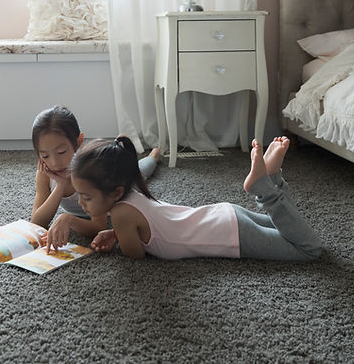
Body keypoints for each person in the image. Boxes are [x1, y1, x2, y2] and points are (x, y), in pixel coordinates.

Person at [54, 135, 322, 261]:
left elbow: (133, 254)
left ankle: (265, 186)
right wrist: (115, 234)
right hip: (225, 214)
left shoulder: (122, 214)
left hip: (231, 234)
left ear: (115, 193)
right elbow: (146, 227)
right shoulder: (132, 191)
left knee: (309, 250)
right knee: (286, 229)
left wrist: (118, 237)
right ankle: (272, 179)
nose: (80, 203)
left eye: (86, 197)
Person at [29, 106, 160, 249]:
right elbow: (36, 222)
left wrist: (69, 219)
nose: (54, 163)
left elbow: (99, 226)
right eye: (45, 155)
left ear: (79, 142)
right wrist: (60, 186)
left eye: (61, 152)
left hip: (114, 180)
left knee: (138, 173)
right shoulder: (45, 172)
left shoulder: (88, 170)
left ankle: (154, 155)